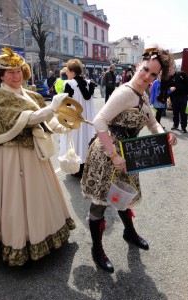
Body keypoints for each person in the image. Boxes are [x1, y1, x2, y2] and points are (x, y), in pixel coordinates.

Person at [81, 46, 177, 273]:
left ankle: (129, 232)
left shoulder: (142, 94)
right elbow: (99, 121)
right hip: (108, 153)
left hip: (129, 152)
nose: (147, 76)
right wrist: (113, 155)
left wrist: (165, 135)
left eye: (153, 74)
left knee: (124, 194)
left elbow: (151, 122)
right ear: (138, 66)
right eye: (145, 70)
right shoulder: (125, 92)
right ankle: (97, 249)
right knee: (100, 203)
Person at [0, 47, 75, 267]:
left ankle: (44, 234)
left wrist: (63, 125)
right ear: (1, 76)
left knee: (37, 194)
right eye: (10, 72)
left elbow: (45, 121)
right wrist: (52, 108)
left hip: (34, 153)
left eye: (18, 71)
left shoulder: (31, 94)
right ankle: (17, 242)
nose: (16, 76)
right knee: (15, 197)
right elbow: (28, 118)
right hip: (11, 157)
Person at [60, 58, 96, 178]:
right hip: (87, 121)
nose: (66, 74)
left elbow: (66, 106)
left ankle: (76, 168)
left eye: (67, 71)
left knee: (74, 143)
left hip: (74, 120)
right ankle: (86, 167)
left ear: (72, 71)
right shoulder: (89, 84)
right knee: (86, 142)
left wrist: (64, 120)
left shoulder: (69, 85)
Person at [167, 65, 188, 133]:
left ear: (173, 68)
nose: (169, 71)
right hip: (174, 97)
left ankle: (183, 127)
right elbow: (166, 88)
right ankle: (175, 125)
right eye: (168, 70)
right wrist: (169, 89)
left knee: (183, 113)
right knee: (175, 112)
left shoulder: (182, 74)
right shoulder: (168, 79)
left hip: (183, 97)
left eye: (170, 70)